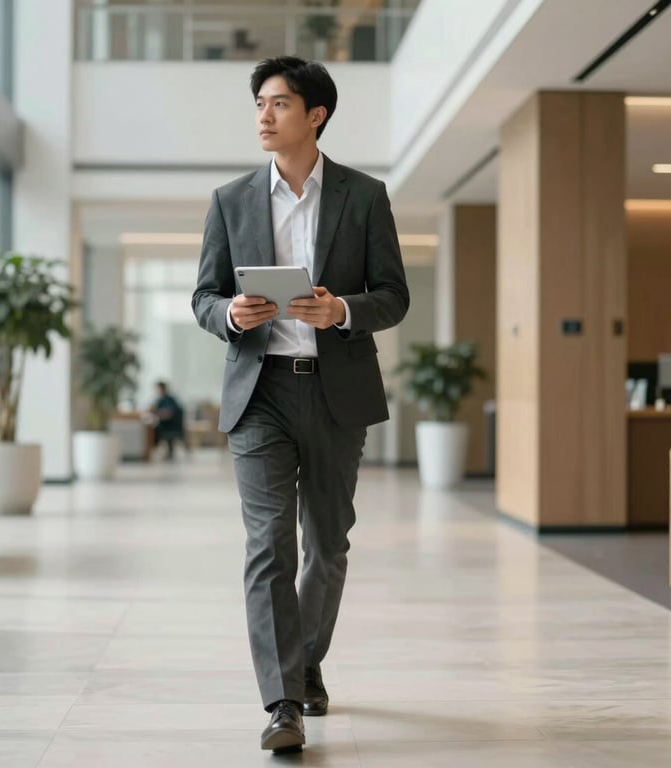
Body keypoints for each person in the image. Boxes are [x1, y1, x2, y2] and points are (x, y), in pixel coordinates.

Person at [191, 56, 409, 753]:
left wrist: (340, 308)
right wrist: (233, 315)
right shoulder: (230, 200)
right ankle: (282, 700)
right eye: (258, 103)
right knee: (268, 545)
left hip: (336, 389)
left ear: (315, 115)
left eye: (278, 103)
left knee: (329, 543)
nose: (262, 115)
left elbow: (394, 295)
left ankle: (308, 655)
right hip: (260, 393)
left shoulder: (365, 196)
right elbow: (203, 296)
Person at [150, 381, 184, 460]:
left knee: (155, 430)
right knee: (153, 428)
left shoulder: (169, 400)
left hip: (170, 426)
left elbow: (169, 413)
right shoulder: (161, 400)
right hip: (166, 424)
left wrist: (158, 413)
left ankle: (151, 450)